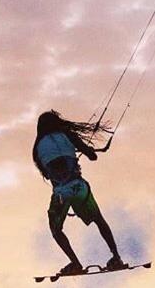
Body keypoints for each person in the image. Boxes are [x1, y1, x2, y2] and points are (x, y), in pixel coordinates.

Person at [32, 110, 125, 276]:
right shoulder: (67, 135)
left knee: (56, 230)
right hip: (80, 188)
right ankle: (116, 257)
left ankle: (75, 263)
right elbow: (93, 157)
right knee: (99, 220)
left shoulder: (37, 147)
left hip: (61, 193)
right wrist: (85, 150)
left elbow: (47, 174)